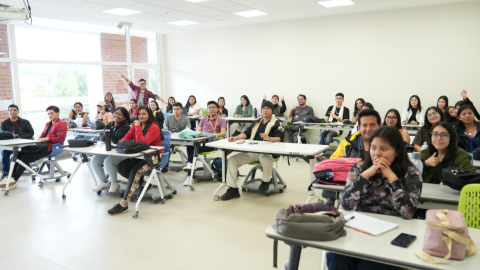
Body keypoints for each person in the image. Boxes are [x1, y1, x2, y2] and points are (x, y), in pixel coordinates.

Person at [328, 126, 422, 270]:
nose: (377, 154)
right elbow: (346, 205)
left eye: (384, 149)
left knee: (369, 266)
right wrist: (365, 176)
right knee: (336, 258)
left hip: (392, 233)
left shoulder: (411, 174)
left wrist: (392, 178)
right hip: (359, 228)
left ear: (397, 151)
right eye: (373, 148)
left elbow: (407, 212)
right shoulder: (359, 168)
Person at [220, 101, 285, 201]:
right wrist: (235, 137)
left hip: (269, 153)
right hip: (254, 151)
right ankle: (232, 189)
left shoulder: (277, 122)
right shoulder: (257, 122)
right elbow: (246, 133)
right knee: (232, 160)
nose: (265, 110)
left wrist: (270, 138)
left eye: (268, 108)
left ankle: (266, 181)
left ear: (272, 110)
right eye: (263, 108)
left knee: (264, 157)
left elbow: (280, 138)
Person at [107, 107, 163, 215]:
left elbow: (144, 144)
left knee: (135, 171)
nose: (141, 116)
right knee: (121, 167)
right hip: (139, 156)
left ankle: (123, 204)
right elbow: (125, 139)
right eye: (139, 114)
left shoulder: (154, 127)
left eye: (144, 114)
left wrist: (137, 126)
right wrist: (125, 141)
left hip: (153, 158)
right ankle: (143, 183)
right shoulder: (136, 125)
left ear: (149, 115)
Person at [0, 106, 67, 191]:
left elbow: (60, 140)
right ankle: (10, 177)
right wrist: (39, 139)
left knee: (25, 158)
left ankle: (14, 180)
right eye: (48, 114)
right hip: (42, 145)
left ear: (58, 113)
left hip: (51, 147)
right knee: (19, 153)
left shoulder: (61, 124)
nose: (49, 115)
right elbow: (42, 135)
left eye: (51, 113)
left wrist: (47, 139)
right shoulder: (48, 123)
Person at [183, 101, 227, 186]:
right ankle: (190, 170)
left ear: (217, 109)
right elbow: (198, 131)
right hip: (201, 141)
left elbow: (223, 133)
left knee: (193, 148)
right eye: (209, 107)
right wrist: (199, 136)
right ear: (207, 109)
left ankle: (190, 173)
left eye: (213, 107)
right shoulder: (203, 119)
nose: (211, 109)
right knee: (191, 145)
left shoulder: (222, 120)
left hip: (212, 143)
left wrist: (214, 135)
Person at [91, 107, 131, 193]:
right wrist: (108, 127)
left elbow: (116, 140)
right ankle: (104, 182)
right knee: (94, 159)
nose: (117, 115)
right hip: (111, 151)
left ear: (124, 117)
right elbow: (103, 139)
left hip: (122, 154)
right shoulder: (111, 124)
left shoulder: (126, 127)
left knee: (108, 161)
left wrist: (108, 126)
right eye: (116, 113)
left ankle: (114, 183)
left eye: (120, 114)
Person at [0, 105, 34, 180]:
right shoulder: (4, 123)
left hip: (23, 144)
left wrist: (20, 137)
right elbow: (2, 135)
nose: (13, 112)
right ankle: (5, 172)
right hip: (10, 145)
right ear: (8, 112)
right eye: (11, 110)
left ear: (18, 112)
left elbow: (31, 133)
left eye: (15, 110)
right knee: (5, 152)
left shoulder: (25, 122)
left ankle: (24, 168)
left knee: (22, 152)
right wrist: (12, 137)